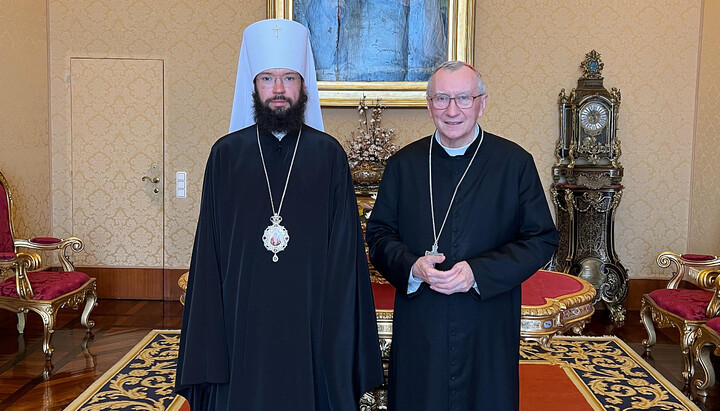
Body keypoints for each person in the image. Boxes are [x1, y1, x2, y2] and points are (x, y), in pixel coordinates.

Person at [175, 19, 383, 410]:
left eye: (289, 78)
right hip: (241, 310)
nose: (278, 90)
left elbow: (344, 250)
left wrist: (338, 321)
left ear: (304, 86)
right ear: (252, 86)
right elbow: (211, 248)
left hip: (311, 311)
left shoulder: (328, 155)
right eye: (268, 79)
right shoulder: (226, 155)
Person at [365, 60, 558, 410]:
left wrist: (477, 273)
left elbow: (541, 238)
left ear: (481, 103)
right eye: (441, 99)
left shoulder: (514, 163)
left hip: (487, 318)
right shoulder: (403, 165)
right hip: (422, 318)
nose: (452, 110)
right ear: (428, 105)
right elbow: (378, 236)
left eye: (463, 98)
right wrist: (412, 267)